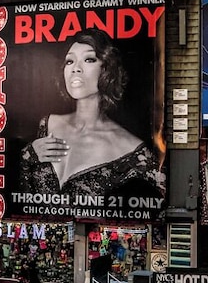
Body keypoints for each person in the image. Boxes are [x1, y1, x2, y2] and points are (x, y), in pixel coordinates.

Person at [22, 28, 164, 197]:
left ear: (107, 69)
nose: (76, 68)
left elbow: (166, 203)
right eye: (69, 61)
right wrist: (28, 155)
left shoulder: (131, 150)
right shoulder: (47, 124)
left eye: (89, 59)